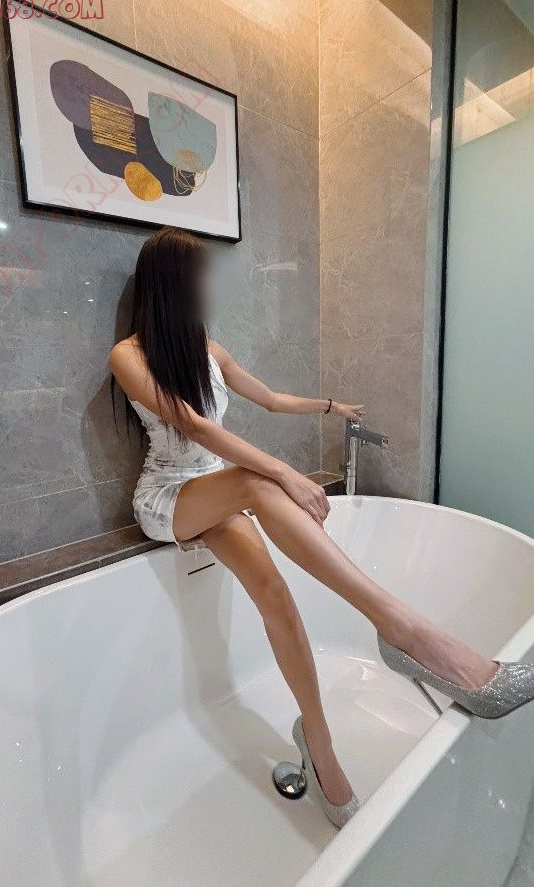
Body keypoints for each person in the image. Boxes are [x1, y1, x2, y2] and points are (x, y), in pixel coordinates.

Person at [109, 226, 534, 829]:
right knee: (258, 483)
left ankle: (318, 741)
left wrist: (331, 407)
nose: (209, 284)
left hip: (218, 490)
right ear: (172, 281)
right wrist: (284, 471)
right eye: (200, 273)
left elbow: (270, 398)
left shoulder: (207, 348)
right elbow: (195, 429)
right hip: (169, 498)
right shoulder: (128, 356)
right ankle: (404, 630)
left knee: (277, 598)